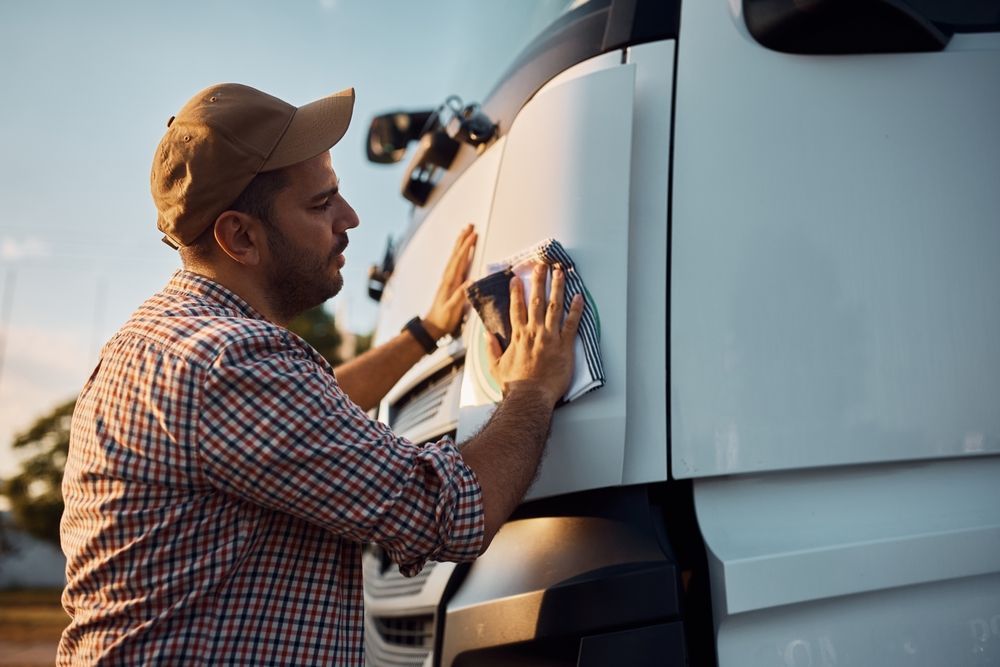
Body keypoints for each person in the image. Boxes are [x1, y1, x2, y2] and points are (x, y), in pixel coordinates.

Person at [58, 83, 583, 665]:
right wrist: (531, 388)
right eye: (320, 204)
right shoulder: (233, 363)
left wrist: (426, 331)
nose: (350, 218)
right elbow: (449, 514)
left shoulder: (167, 339)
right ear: (240, 236)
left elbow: (315, 416)